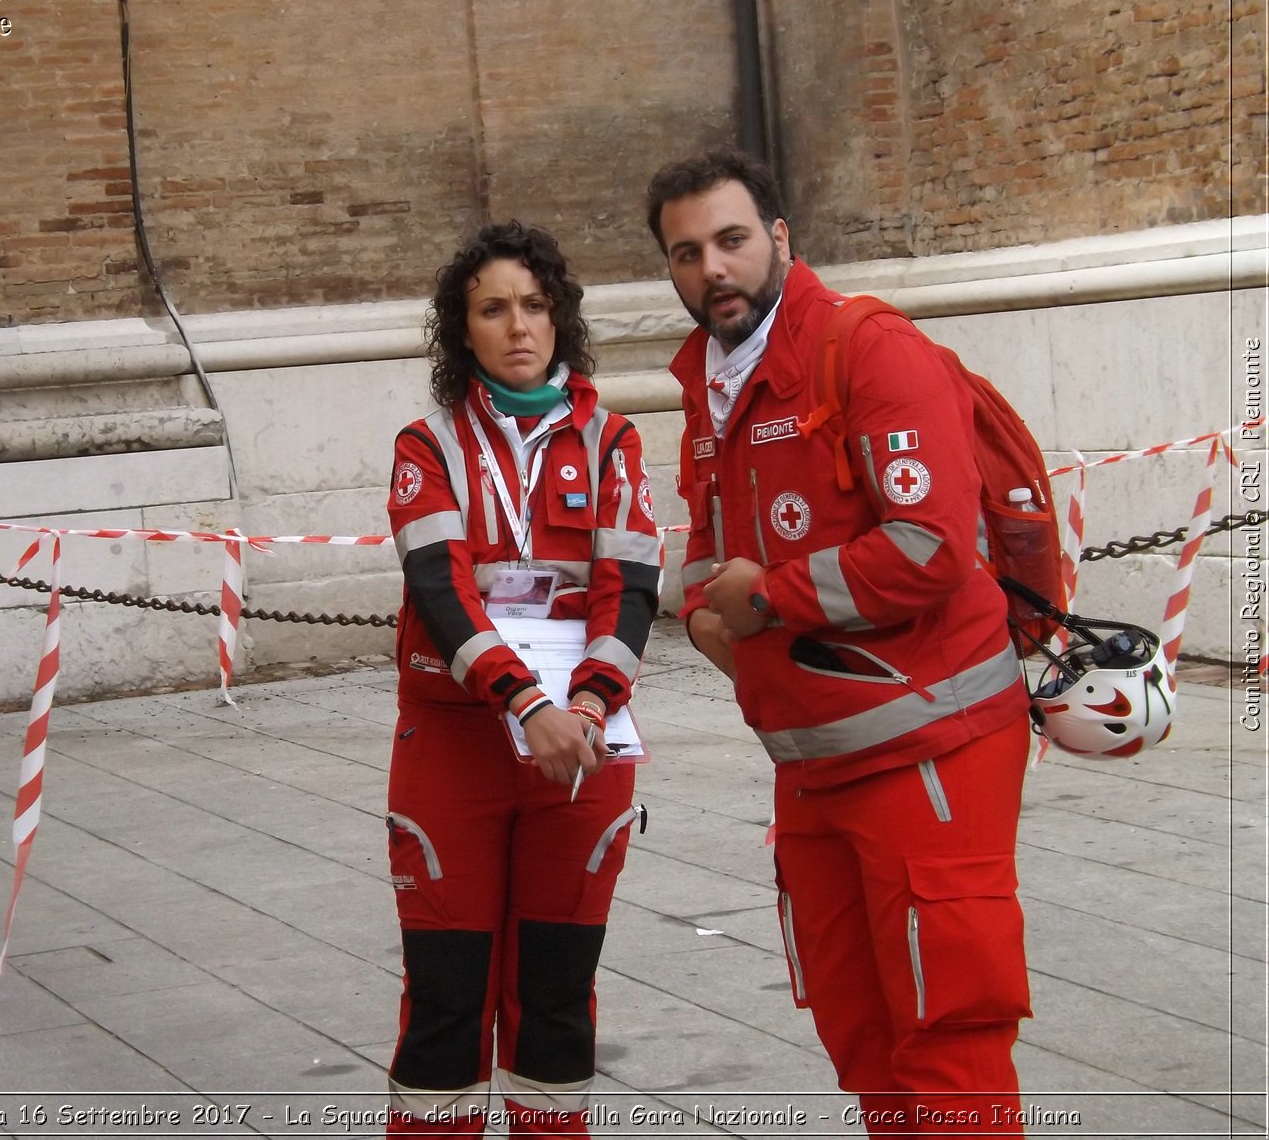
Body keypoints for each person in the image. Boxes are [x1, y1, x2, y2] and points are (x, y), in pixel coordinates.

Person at [646, 149, 1034, 1137]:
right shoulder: (708, 380)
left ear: (779, 238)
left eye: (731, 241)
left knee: (947, 1043)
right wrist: (704, 607)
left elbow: (930, 547)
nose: (712, 269)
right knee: (862, 1040)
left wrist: (769, 602)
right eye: (686, 253)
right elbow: (709, 554)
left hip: (930, 748)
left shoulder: (865, 348)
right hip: (812, 763)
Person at [384, 221, 659, 1138]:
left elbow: (634, 588)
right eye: (492, 309)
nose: (517, 326)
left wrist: (583, 705)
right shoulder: (427, 444)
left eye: (534, 306)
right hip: (458, 749)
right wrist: (524, 701)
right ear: (463, 331)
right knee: (447, 1007)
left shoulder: (615, 442)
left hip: (580, 749)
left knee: (556, 999)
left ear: (560, 318)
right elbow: (440, 586)